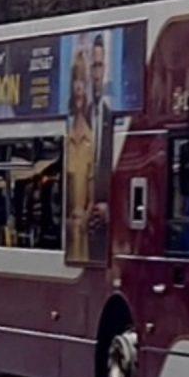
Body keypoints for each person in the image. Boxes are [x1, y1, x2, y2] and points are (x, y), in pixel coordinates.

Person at [64, 52, 95, 263]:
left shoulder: (90, 141)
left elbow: (92, 196)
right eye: (75, 81)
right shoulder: (64, 139)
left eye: (82, 82)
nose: (78, 87)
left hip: (82, 229)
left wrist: (85, 216)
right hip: (66, 229)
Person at [86, 33, 113, 263]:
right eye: (93, 67)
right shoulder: (75, 118)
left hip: (106, 240)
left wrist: (108, 207)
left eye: (100, 66)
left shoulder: (110, 116)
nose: (97, 74)